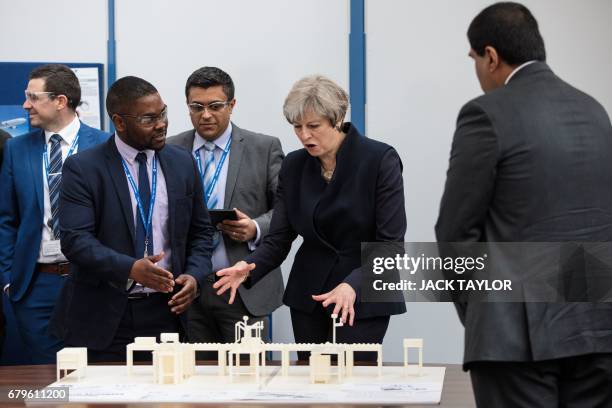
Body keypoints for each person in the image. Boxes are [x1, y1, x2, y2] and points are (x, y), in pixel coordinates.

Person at [435, 3, 612, 407]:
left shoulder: (485, 113)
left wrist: (482, 312)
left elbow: (455, 232)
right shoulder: (596, 112)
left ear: (491, 57)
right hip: (597, 332)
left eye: (475, 59)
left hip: (514, 341)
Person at [214, 75, 406, 360]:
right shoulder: (294, 165)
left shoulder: (379, 159)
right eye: (297, 127)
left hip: (363, 289)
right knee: (310, 382)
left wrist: (351, 285)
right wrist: (249, 266)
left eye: (313, 126)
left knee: (355, 384)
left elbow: (391, 245)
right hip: (309, 292)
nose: (304, 136)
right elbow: (279, 238)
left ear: (337, 118)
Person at [49, 76, 215, 362]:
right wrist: (130, 268)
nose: (162, 123)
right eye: (149, 118)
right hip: (105, 315)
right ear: (120, 122)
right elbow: (76, 241)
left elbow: (200, 233)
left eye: (163, 113)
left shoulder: (182, 163)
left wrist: (195, 275)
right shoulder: (84, 168)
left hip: (168, 313)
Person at [167, 67, 284, 346]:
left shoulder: (264, 148)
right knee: (193, 380)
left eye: (215, 106)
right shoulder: (169, 150)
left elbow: (286, 210)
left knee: (248, 378)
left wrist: (255, 227)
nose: (206, 115)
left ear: (232, 105)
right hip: (187, 287)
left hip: (243, 286)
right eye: (197, 107)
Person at [0, 64, 109, 364]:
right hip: (37, 286)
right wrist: (9, 278)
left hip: (93, 282)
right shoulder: (17, 149)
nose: (25, 105)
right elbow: (6, 219)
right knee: (47, 379)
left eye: (33, 97)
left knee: (94, 376)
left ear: (60, 101)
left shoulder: (104, 146)